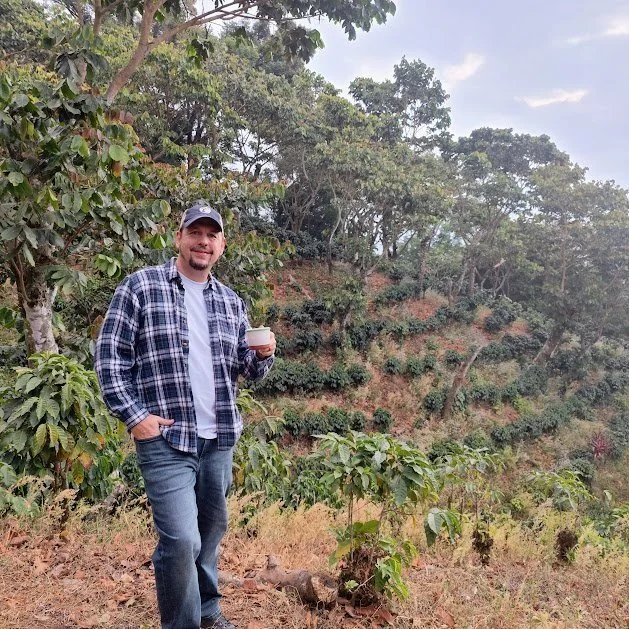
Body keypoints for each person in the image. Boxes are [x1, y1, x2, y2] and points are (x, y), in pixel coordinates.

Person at [95, 201, 276, 629]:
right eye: (195, 232)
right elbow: (109, 358)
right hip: (166, 440)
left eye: (212, 235)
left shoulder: (231, 301)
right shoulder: (140, 287)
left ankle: (208, 610)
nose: (203, 242)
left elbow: (245, 369)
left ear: (222, 245)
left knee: (210, 534)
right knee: (180, 540)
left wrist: (263, 355)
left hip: (219, 438)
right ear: (179, 237)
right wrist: (135, 416)